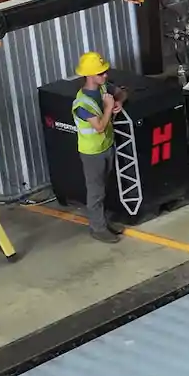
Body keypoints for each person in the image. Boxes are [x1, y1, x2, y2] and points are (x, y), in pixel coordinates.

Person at [70, 51, 123, 243]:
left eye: (105, 72)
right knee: (96, 192)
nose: (105, 76)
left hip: (107, 146)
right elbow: (99, 127)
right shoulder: (82, 104)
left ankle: (102, 222)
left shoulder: (102, 90)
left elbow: (121, 92)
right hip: (93, 153)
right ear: (90, 76)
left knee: (103, 188)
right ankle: (98, 229)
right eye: (101, 73)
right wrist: (109, 107)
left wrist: (118, 102)